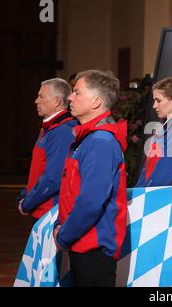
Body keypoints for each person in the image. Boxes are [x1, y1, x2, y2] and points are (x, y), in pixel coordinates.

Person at [53, 70, 128, 287]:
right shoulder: (87, 139)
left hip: (93, 247)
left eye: (77, 92)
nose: (70, 97)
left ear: (96, 101)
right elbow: (72, 191)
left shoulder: (100, 142)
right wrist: (61, 225)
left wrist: (64, 235)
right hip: (81, 241)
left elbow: (91, 201)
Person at [17, 78, 77, 223]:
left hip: (50, 213)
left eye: (41, 97)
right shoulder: (49, 128)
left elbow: (53, 179)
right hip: (40, 209)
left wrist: (27, 203)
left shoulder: (62, 131)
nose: (36, 101)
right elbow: (39, 170)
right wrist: (25, 195)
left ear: (56, 101)